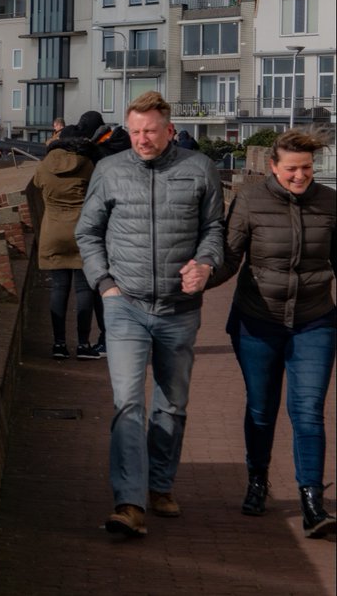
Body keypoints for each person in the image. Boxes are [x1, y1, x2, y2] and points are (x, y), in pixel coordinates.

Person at [75, 91, 224, 538]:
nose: (141, 139)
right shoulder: (109, 170)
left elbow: (213, 228)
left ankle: (160, 485)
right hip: (126, 306)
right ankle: (129, 502)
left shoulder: (199, 170)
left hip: (180, 309)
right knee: (127, 403)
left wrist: (206, 264)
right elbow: (88, 231)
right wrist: (106, 285)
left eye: (150, 131)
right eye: (135, 131)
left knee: (171, 405)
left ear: (169, 130)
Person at [207, 128, 336, 537]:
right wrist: (199, 278)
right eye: (292, 169)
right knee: (262, 409)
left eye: (308, 169)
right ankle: (257, 480)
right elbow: (230, 258)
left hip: (315, 319)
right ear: (273, 167)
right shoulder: (250, 200)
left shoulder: (330, 203)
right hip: (257, 321)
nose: (301, 176)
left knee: (309, 412)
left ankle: (312, 501)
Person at [34, 124, 105, 359]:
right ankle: (83, 345)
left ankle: (59, 344)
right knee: (84, 289)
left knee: (58, 288)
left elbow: (36, 185)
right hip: (82, 232)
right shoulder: (87, 164)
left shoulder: (45, 165)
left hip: (53, 231)